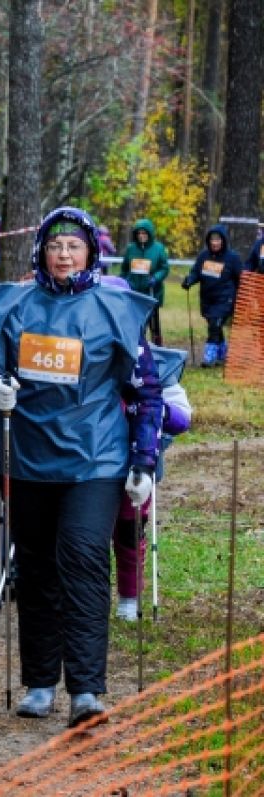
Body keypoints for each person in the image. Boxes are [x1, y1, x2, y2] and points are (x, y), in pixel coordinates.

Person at [0, 206, 162, 728]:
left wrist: (144, 460)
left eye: (75, 246)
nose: (65, 255)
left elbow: (145, 388)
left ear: (91, 252)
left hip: (95, 457)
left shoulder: (117, 310)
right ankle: (40, 682)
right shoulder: (14, 307)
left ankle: (87, 689)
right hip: (27, 458)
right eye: (56, 247)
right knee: (36, 565)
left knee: (81, 555)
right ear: (42, 253)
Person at [111, 344, 191, 621]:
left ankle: (129, 599)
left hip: (134, 463)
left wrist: (155, 411)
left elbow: (183, 418)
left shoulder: (157, 361)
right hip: (86, 459)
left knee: (129, 531)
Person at [181, 224, 243, 367]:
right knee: (214, 324)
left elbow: (240, 279)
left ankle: (209, 356)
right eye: (212, 240)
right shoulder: (204, 256)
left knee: (214, 325)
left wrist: (240, 300)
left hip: (225, 299)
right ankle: (223, 353)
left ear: (223, 241)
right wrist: (189, 280)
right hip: (207, 299)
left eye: (218, 240)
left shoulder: (232, 258)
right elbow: (196, 272)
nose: (215, 243)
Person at [119, 218, 170, 346]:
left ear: (150, 234)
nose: (141, 236)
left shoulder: (158, 249)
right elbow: (125, 269)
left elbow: (164, 268)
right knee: (136, 323)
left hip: (152, 292)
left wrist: (156, 278)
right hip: (134, 292)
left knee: (153, 324)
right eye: (139, 233)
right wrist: (124, 282)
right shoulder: (131, 249)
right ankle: (137, 346)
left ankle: (157, 347)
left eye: (144, 233)